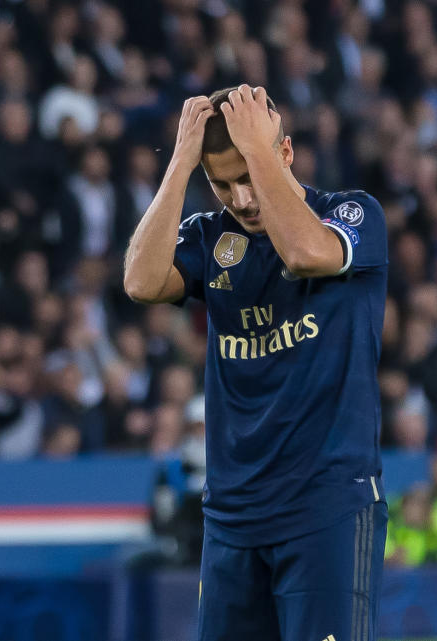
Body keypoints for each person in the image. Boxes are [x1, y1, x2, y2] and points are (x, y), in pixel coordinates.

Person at [124, 84, 388, 641]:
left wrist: (256, 149)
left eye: (249, 176)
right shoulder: (209, 237)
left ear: (283, 153)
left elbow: (306, 253)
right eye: (222, 184)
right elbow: (141, 282)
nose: (241, 199)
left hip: (327, 508)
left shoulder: (352, 214)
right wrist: (179, 163)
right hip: (233, 517)